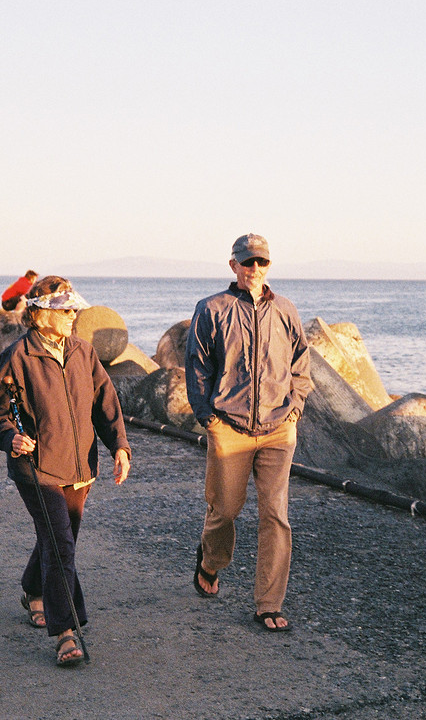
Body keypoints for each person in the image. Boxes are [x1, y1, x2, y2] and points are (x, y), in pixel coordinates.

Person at [0, 275, 131, 666]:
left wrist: (119, 446)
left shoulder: (83, 351)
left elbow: (106, 404)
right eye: (64, 309)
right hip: (38, 468)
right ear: (40, 313)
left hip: (81, 465)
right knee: (61, 543)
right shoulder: (17, 357)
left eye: (73, 309)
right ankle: (67, 632)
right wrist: (10, 437)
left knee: (58, 539)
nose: (72, 315)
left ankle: (34, 590)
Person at [185, 234, 313, 632]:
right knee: (224, 510)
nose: (254, 269)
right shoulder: (211, 309)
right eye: (247, 262)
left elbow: (301, 364)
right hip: (230, 428)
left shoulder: (286, 310)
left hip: (279, 430)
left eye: (261, 263)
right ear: (233, 266)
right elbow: (197, 367)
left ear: (268, 266)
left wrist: (296, 408)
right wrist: (210, 419)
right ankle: (211, 562)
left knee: (275, 515)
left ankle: (268, 604)